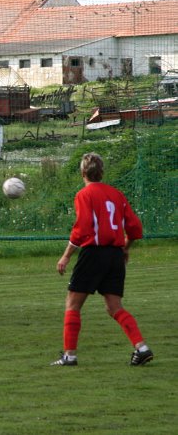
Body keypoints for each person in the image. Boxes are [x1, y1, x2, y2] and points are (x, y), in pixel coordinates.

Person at [50, 153, 151, 367]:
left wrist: (66, 256)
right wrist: (125, 249)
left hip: (93, 254)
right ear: (102, 172)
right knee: (114, 307)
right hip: (115, 255)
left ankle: (69, 356)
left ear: (82, 172)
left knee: (73, 304)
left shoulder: (84, 194)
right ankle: (142, 348)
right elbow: (135, 227)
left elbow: (82, 228)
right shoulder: (116, 194)